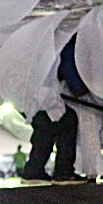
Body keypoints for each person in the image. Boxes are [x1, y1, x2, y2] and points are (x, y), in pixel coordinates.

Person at [21, 35, 87, 185]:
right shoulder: (65, 37)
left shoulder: (37, 41)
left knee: (45, 128)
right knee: (66, 120)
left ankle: (33, 170)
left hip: (31, 95)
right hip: (43, 94)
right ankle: (63, 172)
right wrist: (79, 88)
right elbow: (67, 64)